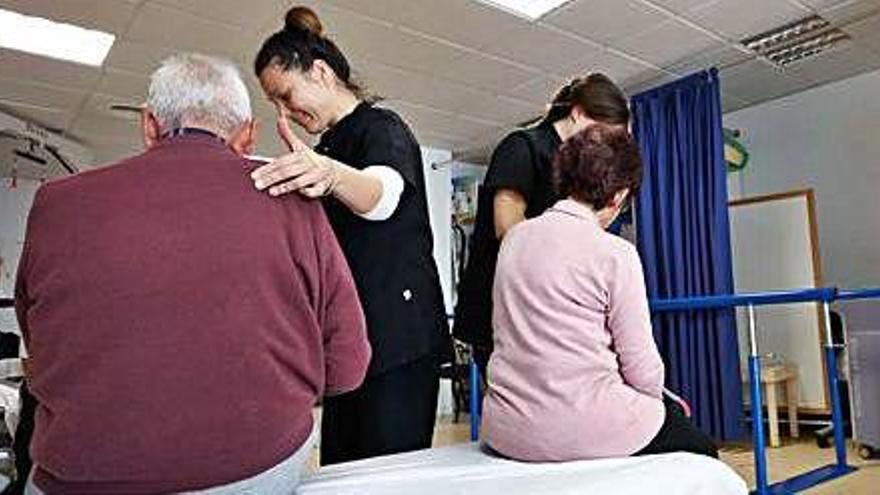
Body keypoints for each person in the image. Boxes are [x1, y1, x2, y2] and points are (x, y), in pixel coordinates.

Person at [14, 53, 370, 494]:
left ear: (149, 125)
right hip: (255, 464)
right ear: (247, 135)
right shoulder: (292, 200)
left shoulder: (56, 201)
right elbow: (348, 365)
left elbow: (36, 334)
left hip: (80, 473)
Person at [252, 6, 452, 465]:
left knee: (385, 474)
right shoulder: (328, 147)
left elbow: (381, 196)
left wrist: (327, 172)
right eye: (275, 105)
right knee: (341, 469)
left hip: (398, 343)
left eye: (286, 95)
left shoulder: (382, 128)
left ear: (320, 72)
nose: (286, 112)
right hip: (350, 345)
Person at [482, 125, 717, 462]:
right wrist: (660, 403)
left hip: (506, 428)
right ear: (619, 194)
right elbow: (642, 368)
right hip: (579, 426)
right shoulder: (615, 253)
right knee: (702, 449)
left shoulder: (514, 239)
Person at [453, 74, 631, 378]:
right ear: (577, 114)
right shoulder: (522, 147)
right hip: (505, 307)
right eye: (603, 134)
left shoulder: (578, 171)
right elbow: (509, 231)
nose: (605, 146)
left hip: (550, 308)